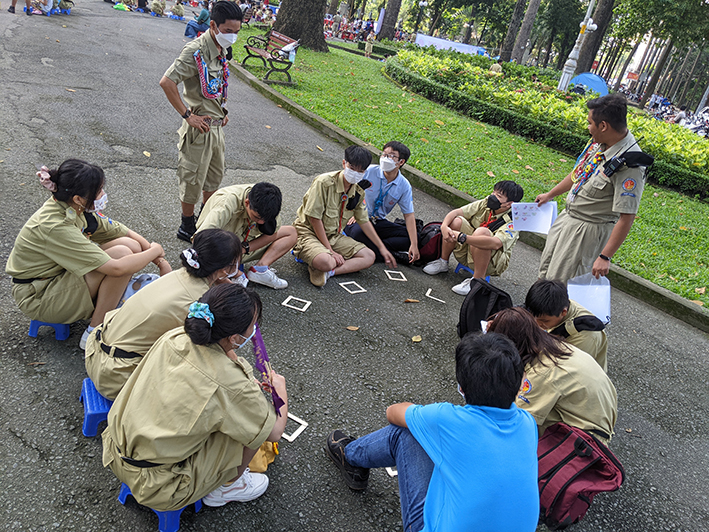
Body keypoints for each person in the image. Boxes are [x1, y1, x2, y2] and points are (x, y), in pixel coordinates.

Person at [325, 333, 540, 532]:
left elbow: (393, 413)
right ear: (520, 383)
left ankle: (350, 457)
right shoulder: (528, 424)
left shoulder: (447, 419)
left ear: (461, 388)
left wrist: (424, 416)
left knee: (407, 433)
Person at [102, 283, 289, 511]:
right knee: (253, 426)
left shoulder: (177, 336)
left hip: (114, 447)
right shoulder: (232, 385)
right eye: (253, 326)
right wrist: (281, 391)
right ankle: (228, 486)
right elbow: (274, 432)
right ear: (234, 338)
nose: (255, 331)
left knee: (235, 410)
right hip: (160, 486)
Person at [6, 160, 170, 348]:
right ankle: (94, 333)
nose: (102, 195)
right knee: (122, 256)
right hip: (39, 296)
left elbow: (122, 231)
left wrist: (157, 257)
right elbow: (116, 268)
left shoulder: (72, 207)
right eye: (98, 191)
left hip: (54, 279)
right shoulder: (56, 226)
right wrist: (155, 251)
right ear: (78, 198)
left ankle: (108, 303)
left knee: (129, 245)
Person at [85, 229, 242, 400]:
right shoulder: (199, 302)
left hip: (95, 352)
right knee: (199, 374)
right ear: (226, 270)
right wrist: (239, 369)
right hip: (115, 377)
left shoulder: (180, 275)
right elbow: (214, 348)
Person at [536, 93, 646, 283]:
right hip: (567, 218)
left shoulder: (630, 164)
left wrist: (605, 256)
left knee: (561, 284)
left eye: (589, 123)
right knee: (546, 272)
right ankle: (533, 310)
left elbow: (627, 216)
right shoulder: (600, 143)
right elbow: (579, 175)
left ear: (603, 126)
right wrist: (550, 194)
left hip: (586, 231)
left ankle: (545, 312)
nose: (588, 128)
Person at [159, 1, 242, 242]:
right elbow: (167, 82)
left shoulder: (221, 49)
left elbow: (216, 86)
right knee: (192, 179)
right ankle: (187, 225)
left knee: (213, 177)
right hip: (198, 130)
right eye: (228, 31)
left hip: (216, 128)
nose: (233, 37)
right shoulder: (195, 51)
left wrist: (222, 111)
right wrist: (187, 115)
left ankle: (206, 221)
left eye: (237, 32)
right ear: (213, 25)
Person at [487, 307, 617, 444]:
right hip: (596, 419)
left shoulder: (543, 372)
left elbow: (515, 420)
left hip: (587, 442)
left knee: (513, 425)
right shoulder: (552, 344)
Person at [293, 146, 397, 287]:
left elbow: (364, 221)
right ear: (344, 163)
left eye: (360, 171)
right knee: (326, 260)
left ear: (365, 172)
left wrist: (382, 248)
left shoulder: (358, 191)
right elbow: (314, 219)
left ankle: (328, 272)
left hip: (333, 235)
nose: (355, 173)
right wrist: (330, 251)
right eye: (352, 168)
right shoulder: (323, 182)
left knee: (369, 256)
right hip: (308, 233)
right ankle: (322, 262)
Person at [422, 181, 524, 295]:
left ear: (509, 204)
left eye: (498, 196)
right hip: (468, 250)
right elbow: (457, 212)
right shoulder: (487, 202)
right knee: (456, 221)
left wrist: (463, 238)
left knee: (482, 233)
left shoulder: (515, 220)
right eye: (494, 192)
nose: (493, 196)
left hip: (492, 261)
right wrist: (444, 226)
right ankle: (442, 262)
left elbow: (496, 243)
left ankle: (477, 282)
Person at [195, 182, 296, 289]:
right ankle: (226, 270)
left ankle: (260, 270)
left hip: (240, 248)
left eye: (265, 219)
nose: (261, 222)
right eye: (257, 218)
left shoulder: (268, 204)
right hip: (218, 251)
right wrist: (222, 277)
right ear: (247, 202)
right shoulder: (226, 204)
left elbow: (272, 234)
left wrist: (242, 250)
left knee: (291, 233)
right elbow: (200, 240)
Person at [344, 141, 419, 264]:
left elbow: (409, 215)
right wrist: (353, 212)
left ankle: (373, 248)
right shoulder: (369, 171)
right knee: (357, 233)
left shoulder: (404, 185)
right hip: (359, 218)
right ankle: (391, 255)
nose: (385, 158)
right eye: (384, 154)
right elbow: (348, 190)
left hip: (378, 221)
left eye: (391, 156)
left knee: (410, 238)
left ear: (401, 162)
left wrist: (414, 245)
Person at [524, 279, 608, 371]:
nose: (537, 324)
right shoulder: (557, 305)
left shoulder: (586, 335)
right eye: (532, 318)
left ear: (563, 312)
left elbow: (571, 370)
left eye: (544, 321)